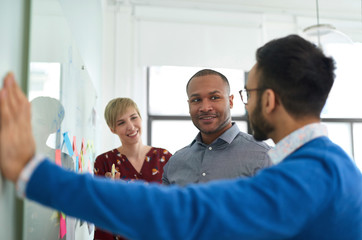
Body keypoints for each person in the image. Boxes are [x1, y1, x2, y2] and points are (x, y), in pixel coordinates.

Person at [1, 35, 361, 240]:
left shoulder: (310, 176)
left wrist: (34, 172)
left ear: (267, 100)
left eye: (247, 94)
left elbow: (184, 212)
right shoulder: (330, 166)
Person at [162, 69, 272, 186]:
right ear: (189, 105)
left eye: (214, 97)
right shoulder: (175, 163)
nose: (205, 107)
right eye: (196, 100)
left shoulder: (264, 156)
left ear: (230, 101)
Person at [93, 98, 172, 240]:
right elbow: (101, 214)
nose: (130, 126)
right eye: (121, 122)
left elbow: (175, 205)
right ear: (112, 129)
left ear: (141, 118)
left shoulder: (164, 157)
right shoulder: (104, 162)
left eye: (134, 118)